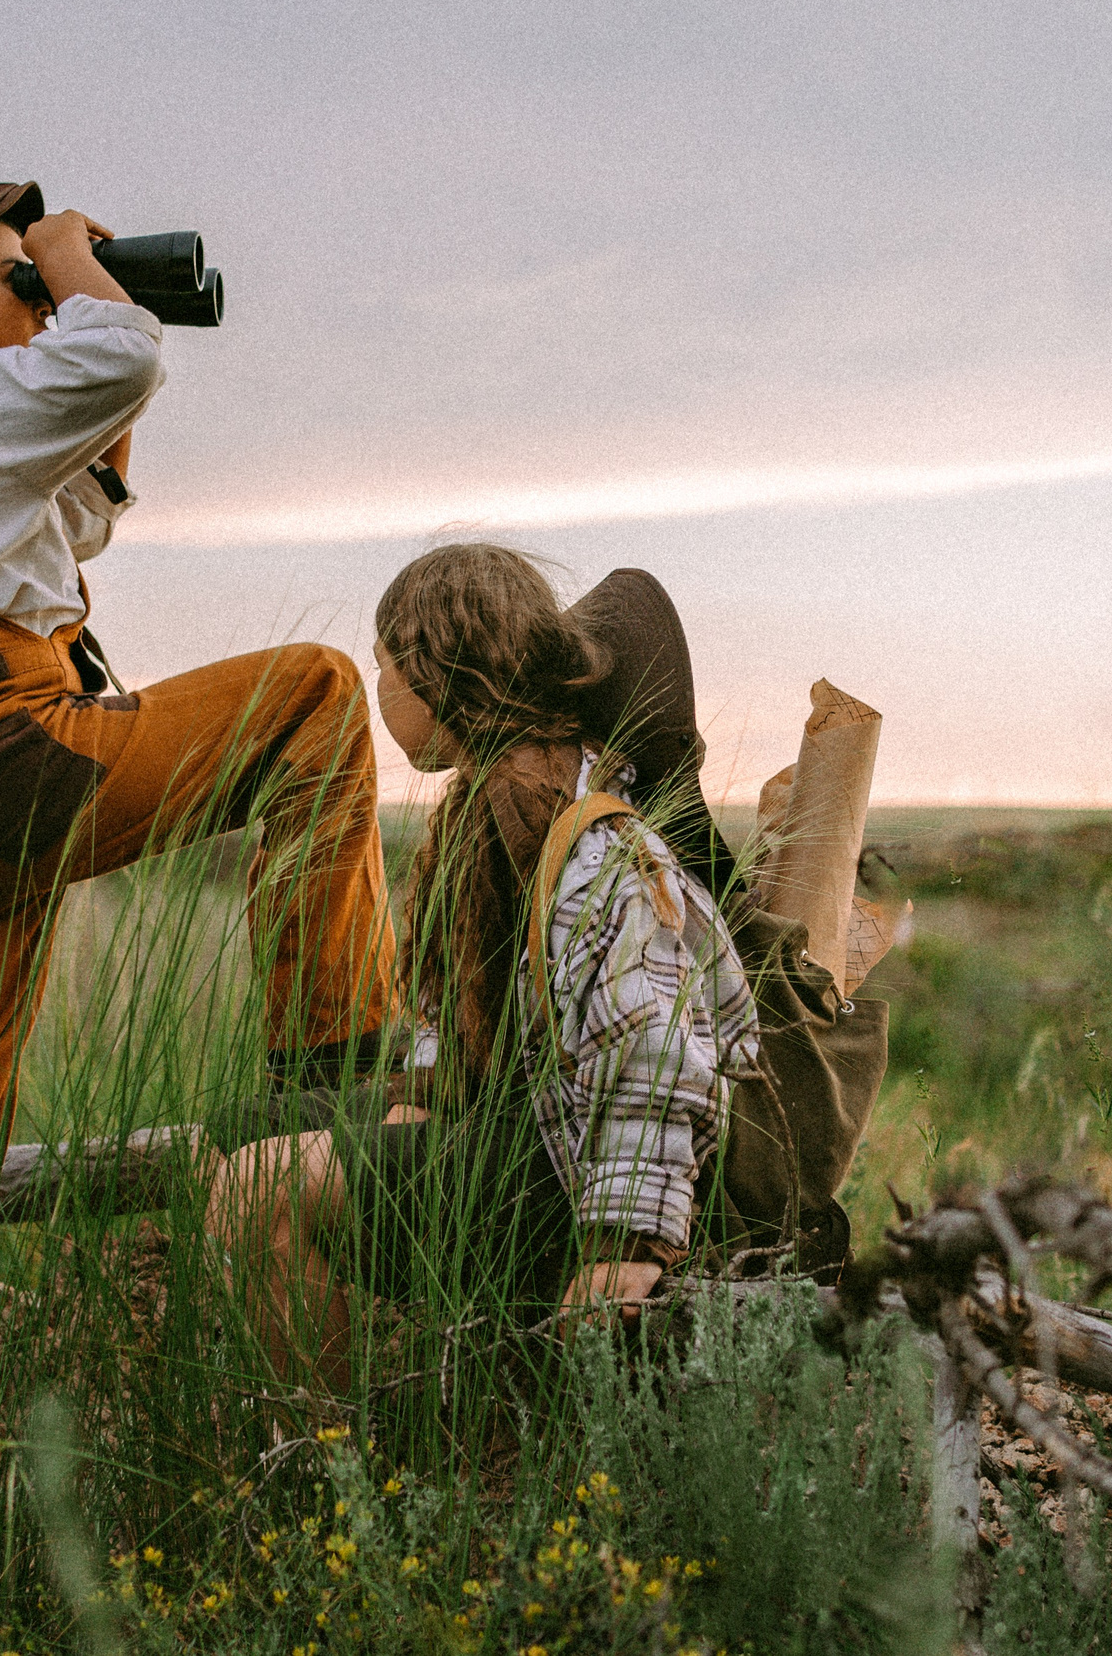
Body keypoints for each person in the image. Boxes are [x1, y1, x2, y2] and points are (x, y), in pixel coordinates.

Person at [0, 182, 397, 1502]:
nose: (37, 291)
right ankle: (333, 1060)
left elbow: (75, 514)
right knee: (312, 694)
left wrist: (80, 304)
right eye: (10, 274)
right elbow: (120, 355)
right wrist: (79, 267)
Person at [207, 543, 763, 1392]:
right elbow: (465, 1010)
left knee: (260, 1189)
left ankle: (332, 1454)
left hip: (584, 1167)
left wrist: (624, 1245)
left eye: (385, 664)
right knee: (241, 1130)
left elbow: (650, 1055)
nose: (379, 689)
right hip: (538, 1122)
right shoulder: (490, 808)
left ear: (436, 672)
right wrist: (430, 1093)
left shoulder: (591, 845)